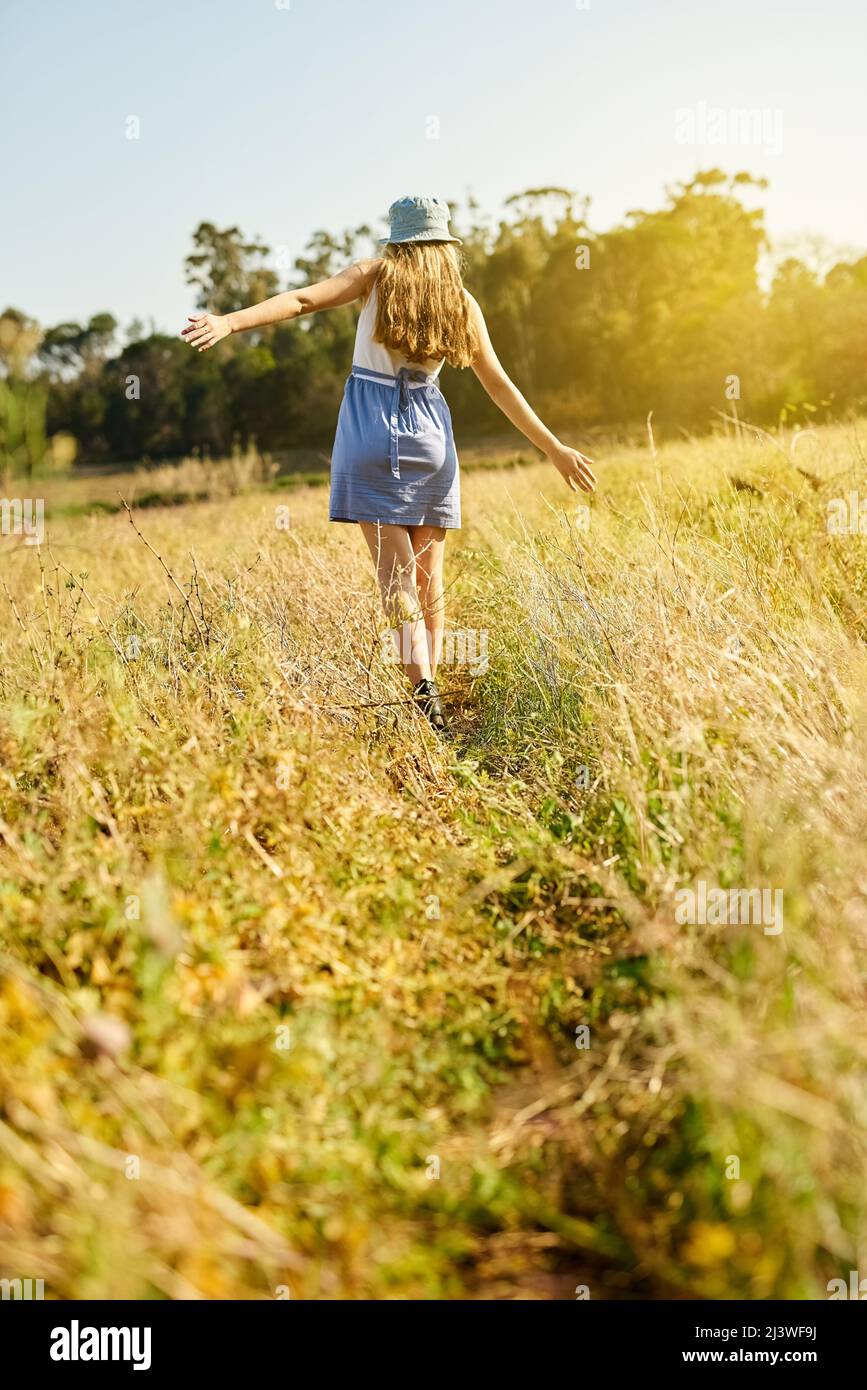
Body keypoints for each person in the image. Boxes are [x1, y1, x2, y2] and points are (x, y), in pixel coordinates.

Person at [182, 195, 596, 732]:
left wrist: (230, 323)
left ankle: (424, 699)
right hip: (431, 436)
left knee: (394, 578)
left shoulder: (374, 276)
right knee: (429, 580)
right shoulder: (462, 303)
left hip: (370, 433)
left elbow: (304, 301)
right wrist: (553, 449)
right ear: (446, 246)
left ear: (396, 241)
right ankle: (438, 696)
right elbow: (497, 383)